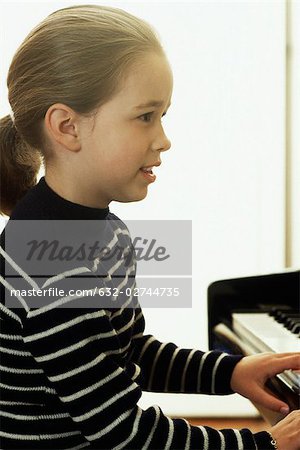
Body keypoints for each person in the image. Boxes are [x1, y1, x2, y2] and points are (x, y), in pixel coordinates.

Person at [0, 5, 299, 450]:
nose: (164, 139)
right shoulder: (47, 262)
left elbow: (128, 351)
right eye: (145, 116)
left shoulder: (104, 233)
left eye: (164, 116)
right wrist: (262, 445)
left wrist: (230, 372)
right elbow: (123, 433)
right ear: (67, 127)